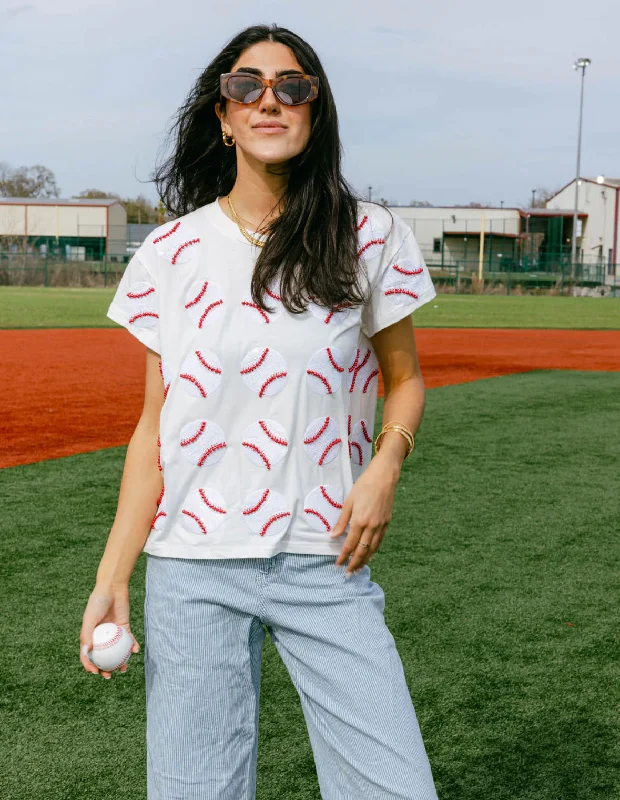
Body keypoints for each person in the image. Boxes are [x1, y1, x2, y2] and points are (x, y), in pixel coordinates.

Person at [80, 22, 439, 800]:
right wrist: (114, 575)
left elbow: (404, 378)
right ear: (223, 114)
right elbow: (154, 430)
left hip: (327, 556)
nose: (269, 100)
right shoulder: (169, 253)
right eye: (248, 86)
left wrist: (386, 465)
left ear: (316, 111)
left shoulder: (368, 234)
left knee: (395, 787)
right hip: (193, 570)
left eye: (292, 87)